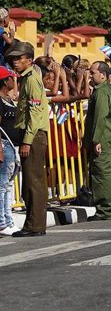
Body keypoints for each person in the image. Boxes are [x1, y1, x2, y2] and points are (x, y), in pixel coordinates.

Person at [7, 41, 49, 237]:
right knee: (31, 182)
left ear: (29, 60)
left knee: (33, 182)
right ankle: (34, 224)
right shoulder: (27, 78)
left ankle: (35, 225)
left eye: (18, 58)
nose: (15, 62)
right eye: (13, 59)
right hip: (32, 135)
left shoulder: (31, 79)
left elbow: (35, 111)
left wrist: (27, 140)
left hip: (33, 135)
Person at [83, 61, 111, 221]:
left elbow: (100, 117)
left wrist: (95, 140)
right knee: (109, 174)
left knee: (101, 174)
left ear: (103, 75)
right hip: (109, 138)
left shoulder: (101, 93)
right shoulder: (108, 90)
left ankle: (105, 210)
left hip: (102, 139)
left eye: (92, 72)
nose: (90, 75)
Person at [0, 67, 20, 236]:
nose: (15, 82)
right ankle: (2, 222)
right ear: (6, 81)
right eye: (12, 78)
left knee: (8, 185)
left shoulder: (9, 99)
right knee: (2, 185)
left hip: (12, 146)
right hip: (4, 145)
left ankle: (8, 219)